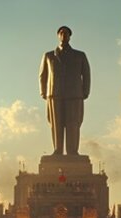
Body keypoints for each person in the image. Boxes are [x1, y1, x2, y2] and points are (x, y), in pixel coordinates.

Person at [39, 25, 91, 156]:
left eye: (66, 33)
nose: (64, 35)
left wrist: (85, 91)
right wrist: (43, 91)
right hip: (54, 94)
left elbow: (86, 74)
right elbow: (42, 75)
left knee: (73, 123)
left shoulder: (80, 55)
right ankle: (58, 150)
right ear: (58, 36)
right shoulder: (48, 55)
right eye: (61, 33)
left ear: (70, 36)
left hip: (74, 94)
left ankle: (72, 151)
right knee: (56, 124)